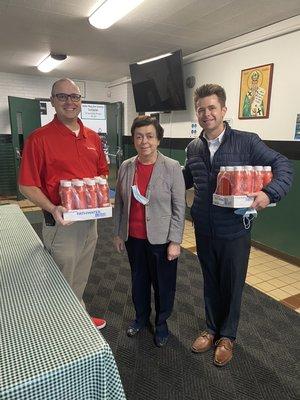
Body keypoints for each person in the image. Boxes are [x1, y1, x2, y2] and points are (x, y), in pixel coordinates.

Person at [183, 84, 293, 366]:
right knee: (210, 281)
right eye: (201, 109)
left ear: (223, 110)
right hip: (204, 229)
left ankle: (227, 336)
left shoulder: (246, 141)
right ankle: (210, 328)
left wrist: (270, 193)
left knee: (232, 285)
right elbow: (185, 179)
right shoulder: (194, 147)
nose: (206, 114)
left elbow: (283, 165)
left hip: (234, 230)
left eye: (211, 108)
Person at [19, 78, 109, 330]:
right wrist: (53, 208)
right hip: (62, 224)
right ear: (52, 102)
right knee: (60, 279)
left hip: (89, 220)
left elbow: (101, 173)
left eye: (75, 97)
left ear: (81, 101)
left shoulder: (92, 137)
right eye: (62, 96)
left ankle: (77, 316)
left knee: (80, 274)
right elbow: (26, 185)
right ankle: (57, 330)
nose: (70, 102)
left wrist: (98, 195)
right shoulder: (39, 139)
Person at [114, 115, 185, 347]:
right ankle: (141, 318)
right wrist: (118, 233)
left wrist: (175, 240)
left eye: (150, 136)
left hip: (162, 238)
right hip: (134, 237)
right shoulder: (126, 166)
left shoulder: (172, 167)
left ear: (158, 139)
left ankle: (162, 324)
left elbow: (179, 206)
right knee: (139, 281)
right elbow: (120, 204)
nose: (144, 141)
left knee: (163, 284)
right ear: (133, 140)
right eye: (139, 136)